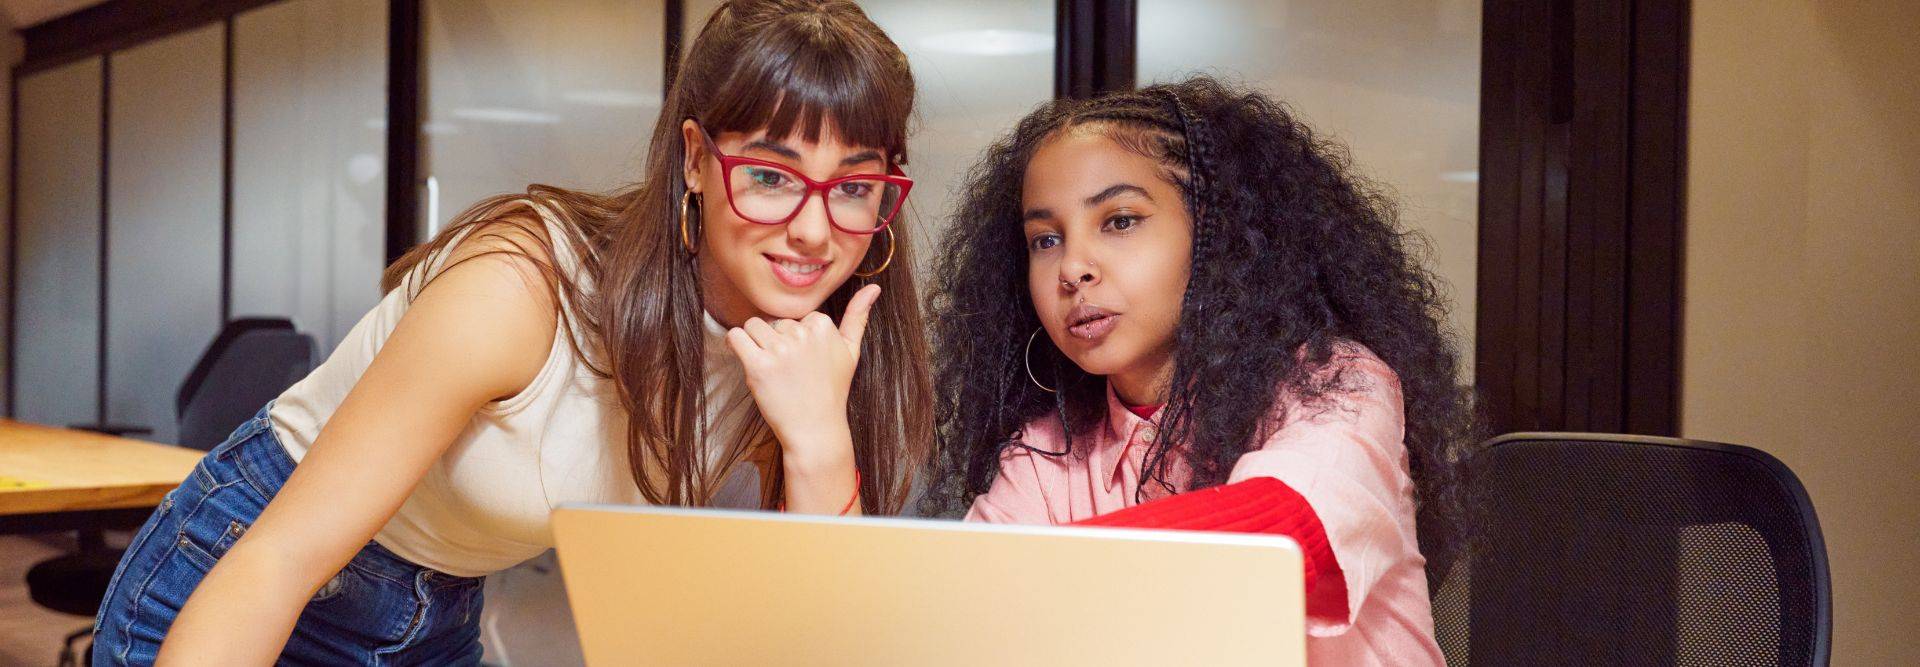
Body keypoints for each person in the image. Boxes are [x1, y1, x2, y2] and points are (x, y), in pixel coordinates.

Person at [91, 1, 930, 663]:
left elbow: (811, 638)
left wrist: (820, 443)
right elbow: (280, 561)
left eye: (854, 188)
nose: (815, 232)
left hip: (438, 613)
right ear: (697, 160)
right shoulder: (527, 287)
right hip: (247, 560)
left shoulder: (813, 345)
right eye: (771, 175)